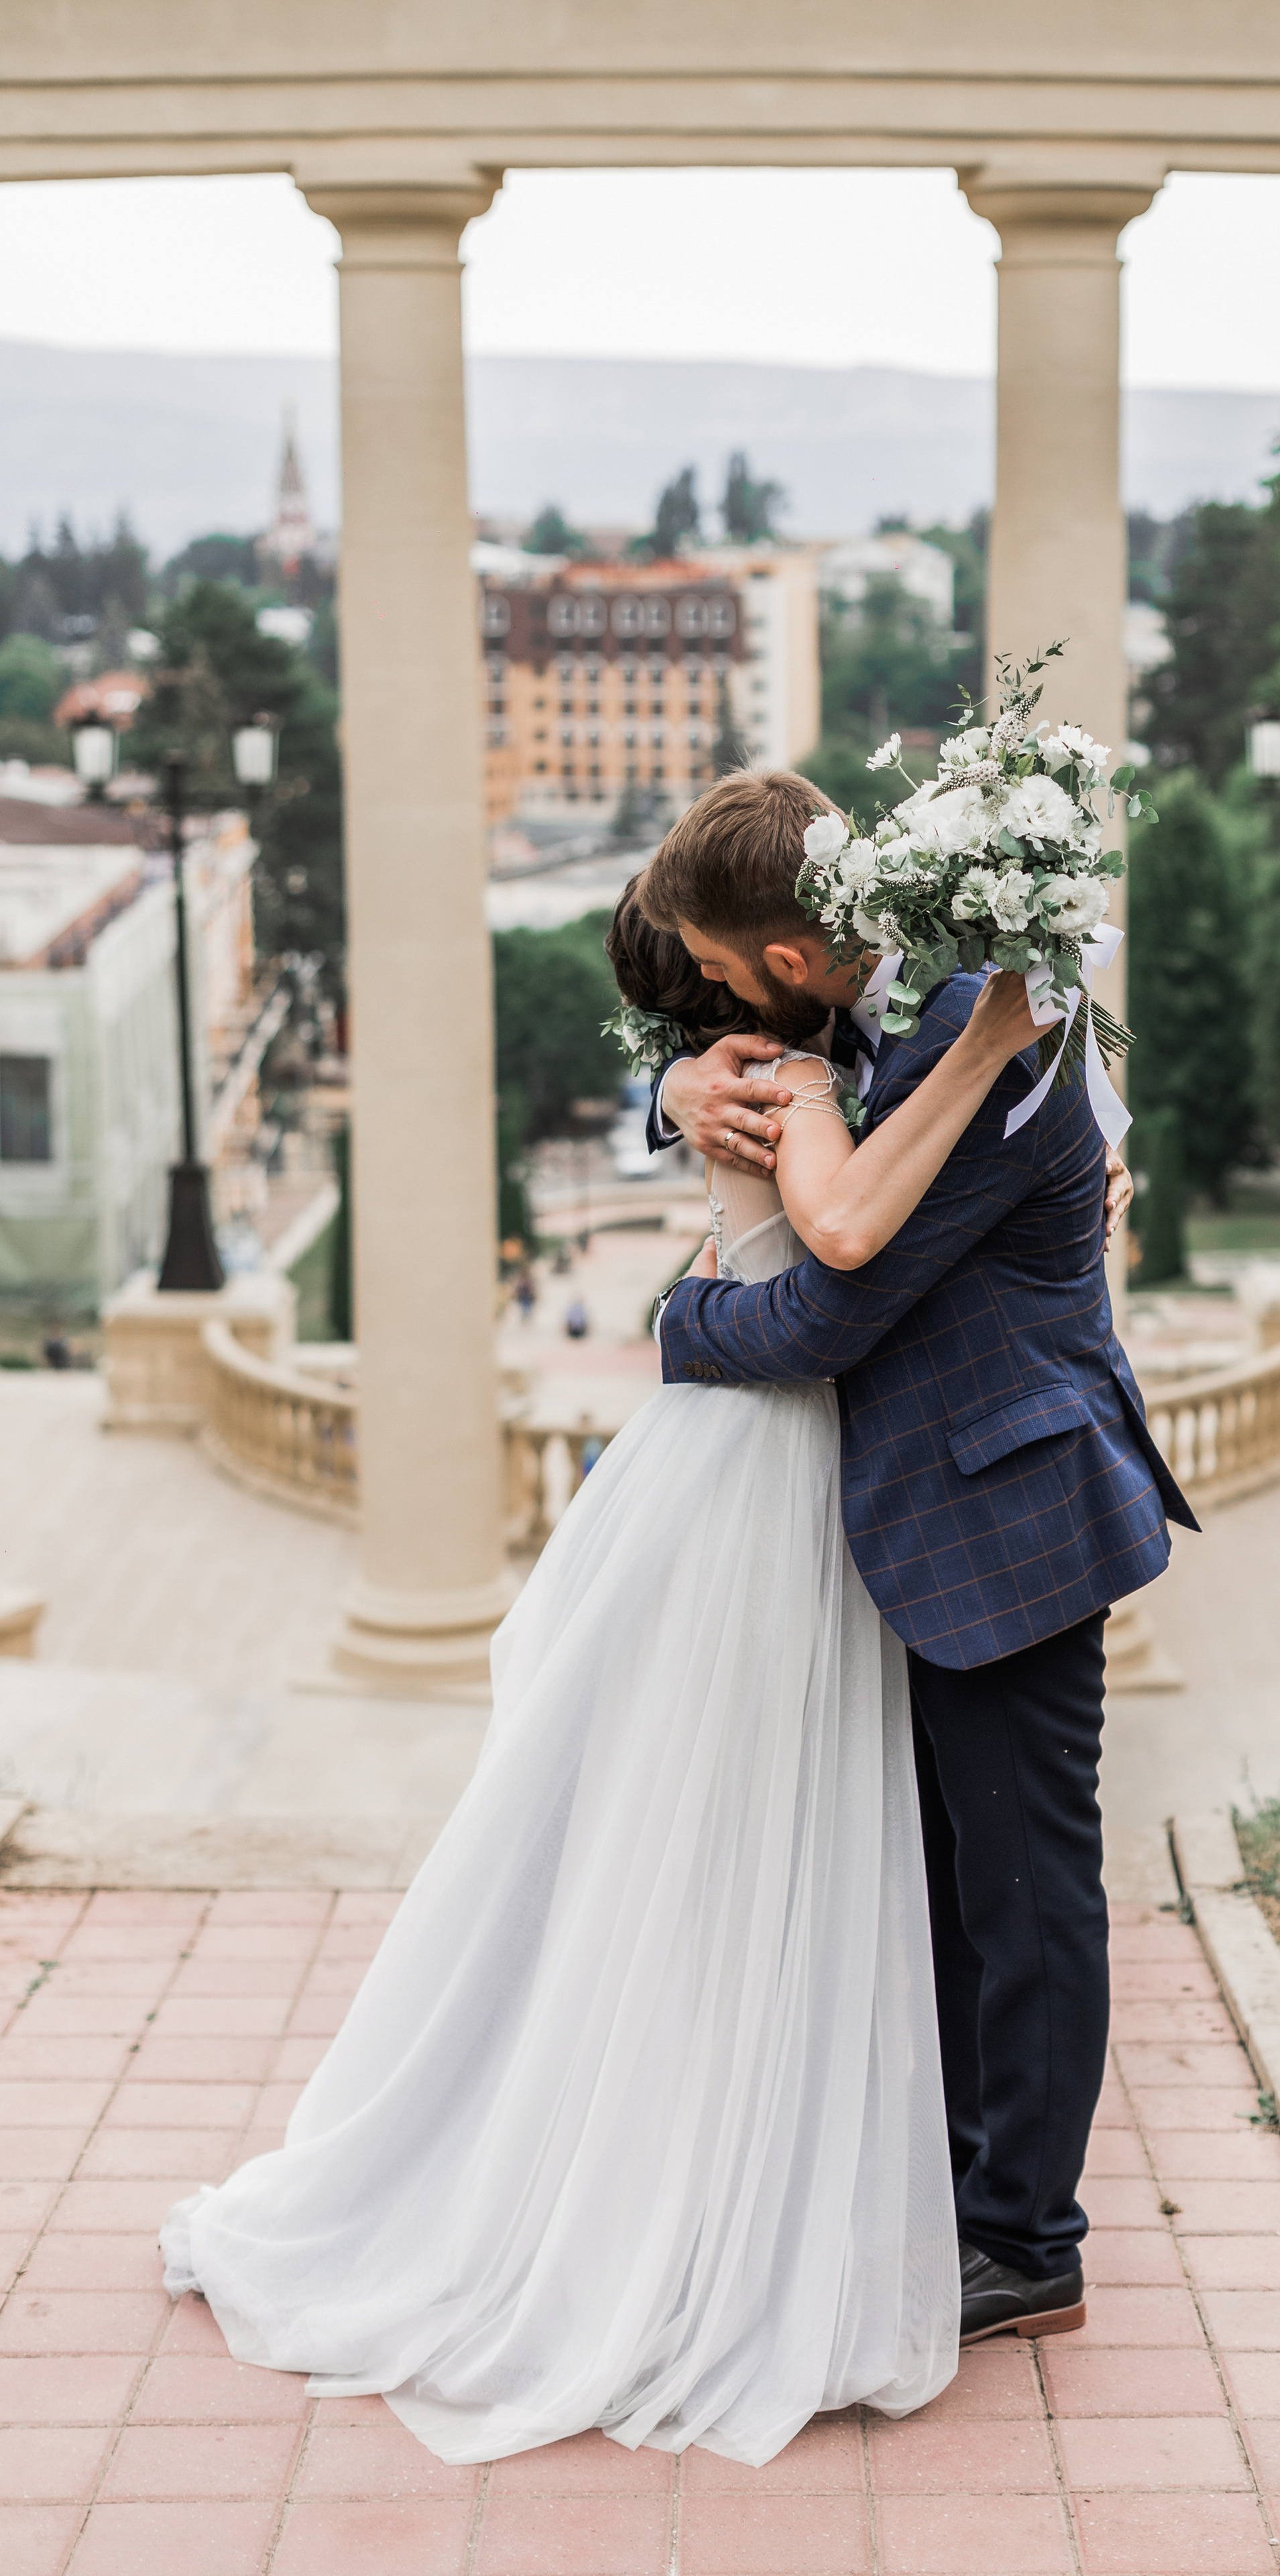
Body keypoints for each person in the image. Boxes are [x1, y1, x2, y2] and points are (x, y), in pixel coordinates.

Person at [158, 872, 1068, 2471]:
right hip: (777, 1484)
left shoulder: (810, 1056)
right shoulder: (802, 1069)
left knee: (780, 1836)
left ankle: (834, 2168)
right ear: (766, 968)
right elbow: (835, 1251)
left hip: (798, 1481)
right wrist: (961, 1060)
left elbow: (846, 1227)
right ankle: (757, 2171)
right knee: (769, 1831)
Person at [642, 769, 1196, 2345]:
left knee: (1022, 1893)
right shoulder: (872, 995)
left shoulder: (982, 1031)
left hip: (1007, 1521)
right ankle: (962, 2187)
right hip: (918, 1517)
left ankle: (1025, 2240)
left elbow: (831, 1307)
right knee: (953, 1887)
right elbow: (681, 1027)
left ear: (793, 958)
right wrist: (674, 1092)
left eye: (729, 974)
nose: (715, 998)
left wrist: (682, 1323)